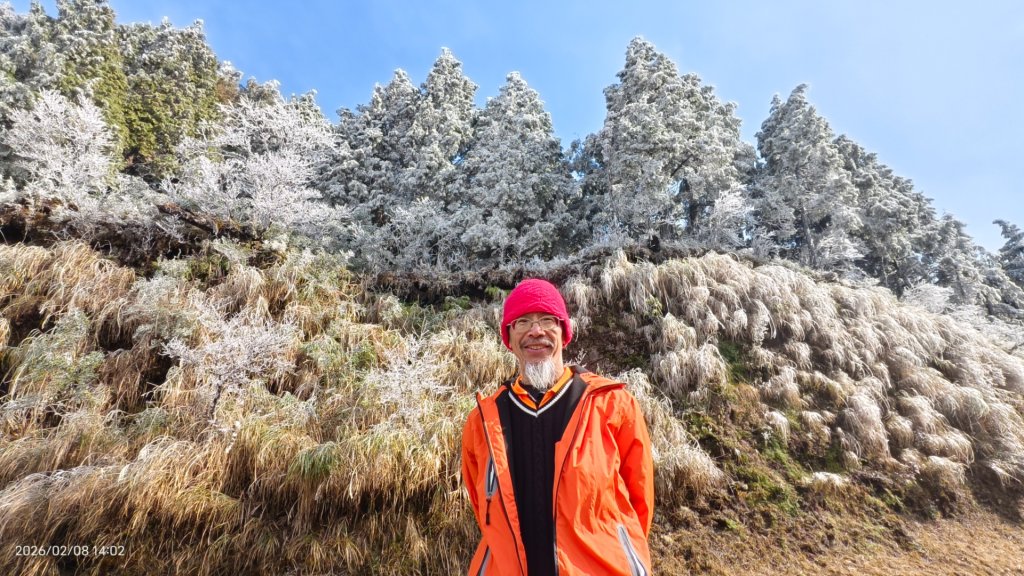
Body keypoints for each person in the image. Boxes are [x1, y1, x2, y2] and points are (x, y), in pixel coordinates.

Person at [461, 278, 654, 575]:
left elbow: (640, 501)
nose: (535, 331)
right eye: (522, 322)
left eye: (547, 320)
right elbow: (485, 510)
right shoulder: (483, 421)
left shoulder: (613, 404)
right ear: (509, 337)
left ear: (564, 332)